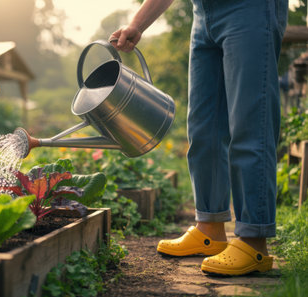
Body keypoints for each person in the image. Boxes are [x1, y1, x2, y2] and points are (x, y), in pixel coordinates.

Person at [110, 0, 288, 276]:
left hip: (249, 9)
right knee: (203, 128)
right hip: (203, 13)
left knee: (250, 124)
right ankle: (210, 229)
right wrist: (137, 24)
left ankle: (254, 239)